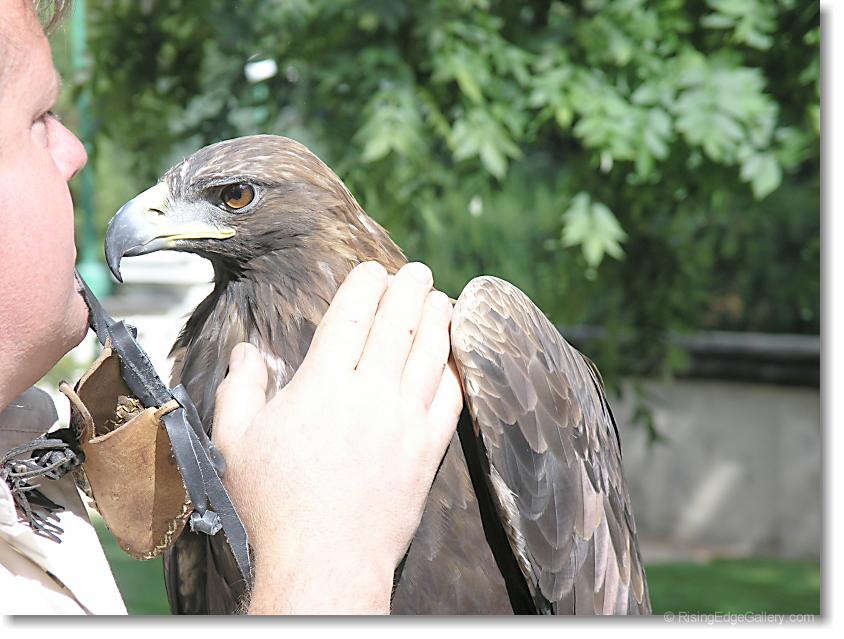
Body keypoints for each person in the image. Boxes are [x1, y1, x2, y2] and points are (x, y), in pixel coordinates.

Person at [0, 0, 462, 614]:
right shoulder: (193, 396)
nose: (75, 151)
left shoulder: (475, 363)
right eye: (39, 117)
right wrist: (320, 565)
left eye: (235, 197)